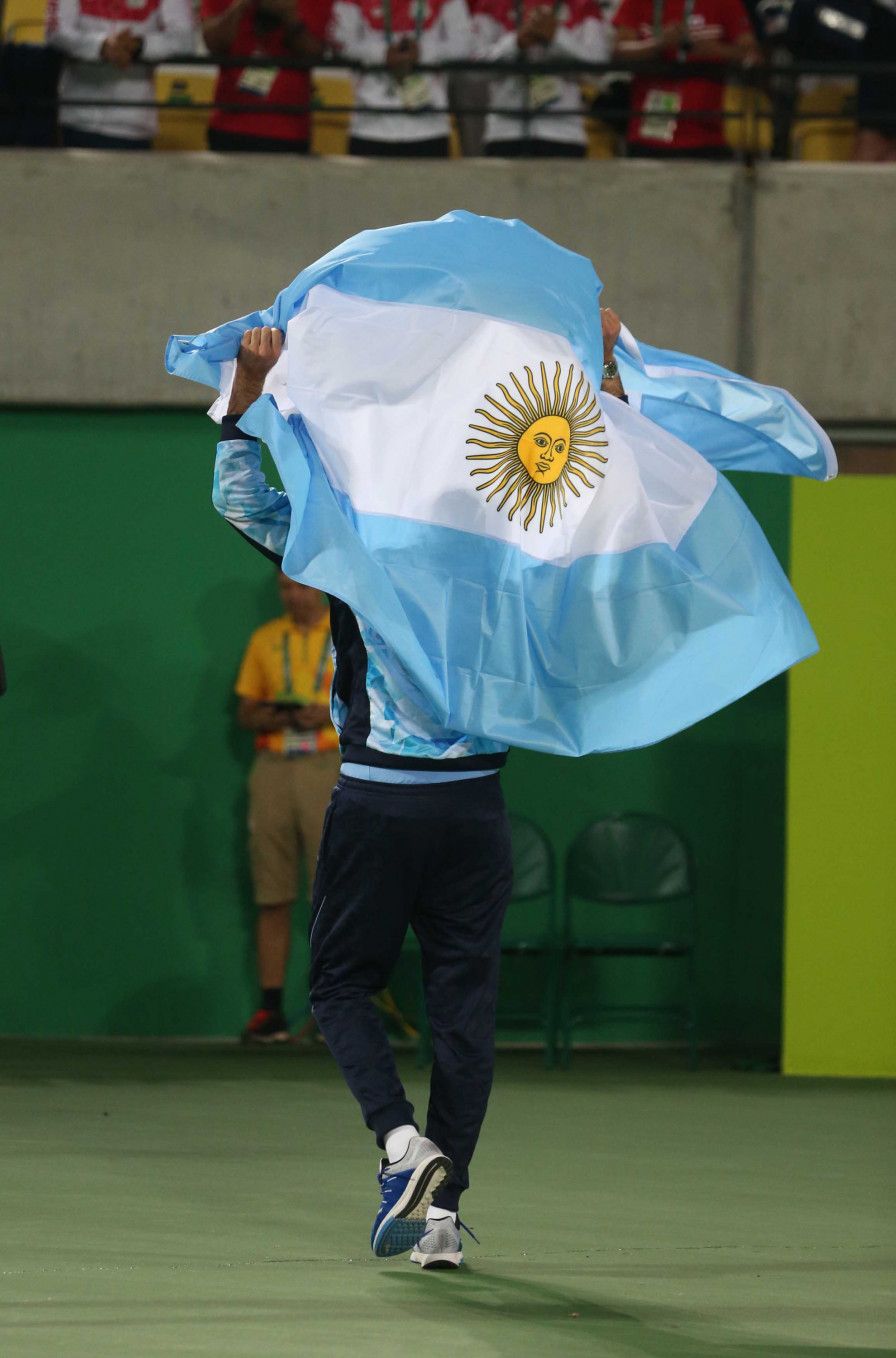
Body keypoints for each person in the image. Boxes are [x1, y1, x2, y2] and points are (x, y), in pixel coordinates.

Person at [209, 315, 625, 1267]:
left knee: (340, 984)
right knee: (463, 1012)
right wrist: (601, 372)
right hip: (476, 809)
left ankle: (403, 1146)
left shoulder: (349, 547)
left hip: (378, 801)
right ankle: (441, 1222)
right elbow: (600, 491)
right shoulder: (510, 551)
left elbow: (241, 502)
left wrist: (245, 397)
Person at [235, 573, 341, 1042]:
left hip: (329, 764)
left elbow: (369, 700)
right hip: (274, 764)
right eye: (284, 587)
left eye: (300, 585)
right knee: (272, 890)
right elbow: (246, 710)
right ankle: (271, 1009)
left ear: (319, 585)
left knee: (331, 893)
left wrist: (327, 712)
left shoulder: (346, 633)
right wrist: (281, 714)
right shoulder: (265, 639)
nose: (293, 594)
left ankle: (335, 1007)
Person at [613, 0, 759, 158]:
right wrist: (658, 44)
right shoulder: (636, 2)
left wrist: (717, 51)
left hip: (706, 137)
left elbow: (753, 56)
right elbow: (619, 52)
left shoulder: (726, 2)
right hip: (647, 135)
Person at [328, 0, 471, 157]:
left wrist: (423, 52)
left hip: (429, 128)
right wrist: (382, 53)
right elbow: (339, 42)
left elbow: (465, 45)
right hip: (369, 127)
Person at [45, 0, 195, 149]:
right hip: (78, 118)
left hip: (135, 123)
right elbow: (56, 32)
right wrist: (101, 46)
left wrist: (139, 46)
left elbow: (184, 39)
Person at [472, 0, 611, 157]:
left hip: (564, 133)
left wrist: (557, 37)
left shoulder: (584, 5)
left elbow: (598, 68)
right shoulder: (490, 4)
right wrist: (516, 43)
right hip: (505, 132)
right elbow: (473, 70)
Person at [201, 0, 332, 153]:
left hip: (288, 130)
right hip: (228, 125)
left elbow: (314, 55)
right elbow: (214, 45)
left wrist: (290, 17)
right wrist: (240, 6)